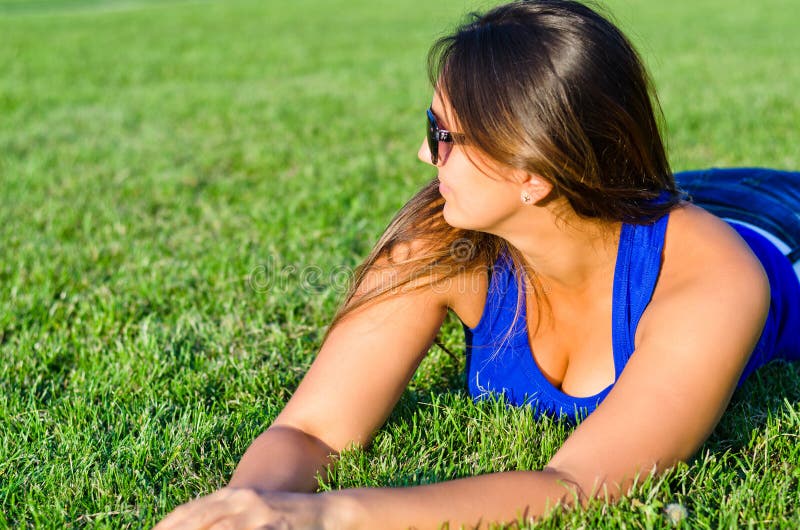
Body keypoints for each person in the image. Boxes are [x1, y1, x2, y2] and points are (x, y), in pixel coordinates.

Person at [154, 1, 800, 528]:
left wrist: (321, 517)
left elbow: (580, 485)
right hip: (619, 200)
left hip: (776, 225)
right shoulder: (444, 241)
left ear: (528, 168)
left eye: (442, 136)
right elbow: (311, 427)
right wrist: (249, 509)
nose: (420, 152)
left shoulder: (712, 280)